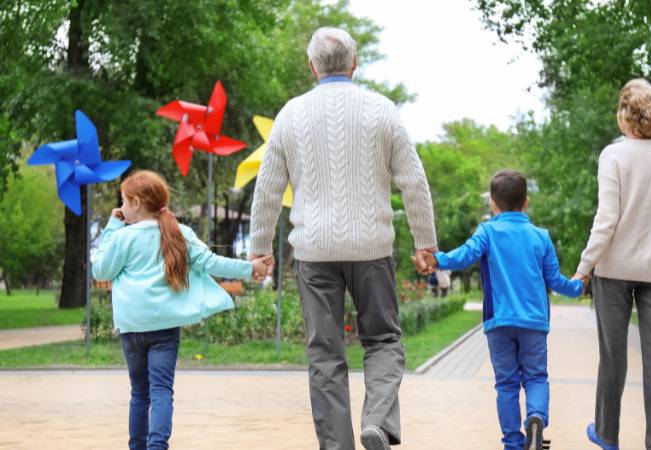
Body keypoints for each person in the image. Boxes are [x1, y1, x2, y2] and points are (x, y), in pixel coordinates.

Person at [248, 27, 437, 450]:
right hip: (372, 246)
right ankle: (376, 421)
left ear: (312, 66)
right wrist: (426, 242)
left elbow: (268, 187)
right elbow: (414, 181)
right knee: (384, 339)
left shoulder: (291, 114)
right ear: (354, 63)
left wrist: (259, 248)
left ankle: (337, 447)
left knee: (325, 354)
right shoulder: (383, 110)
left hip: (314, 252)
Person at [92, 170, 269, 450]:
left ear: (136, 203)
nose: (121, 208)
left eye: (123, 201)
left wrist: (113, 226)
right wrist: (251, 269)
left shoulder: (123, 238)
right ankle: (157, 446)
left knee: (140, 393)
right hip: (165, 328)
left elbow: (101, 269)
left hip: (133, 327)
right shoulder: (179, 233)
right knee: (161, 391)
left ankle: (136, 447)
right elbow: (212, 263)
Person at [421, 170, 583, 450]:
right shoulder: (541, 237)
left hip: (499, 322)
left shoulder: (487, 231)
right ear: (526, 202)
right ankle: (535, 417)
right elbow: (555, 281)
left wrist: (436, 259)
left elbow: (464, 256)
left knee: (506, 384)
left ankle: (512, 441)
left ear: (493, 205)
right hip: (534, 322)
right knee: (536, 377)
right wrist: (579, 286)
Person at [573, 79, 651, 450]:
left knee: (613, 355)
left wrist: (584, 265)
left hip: (615, 269)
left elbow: (607, 219)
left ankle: (607, 435)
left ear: (625, 115)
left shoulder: (614, 155)